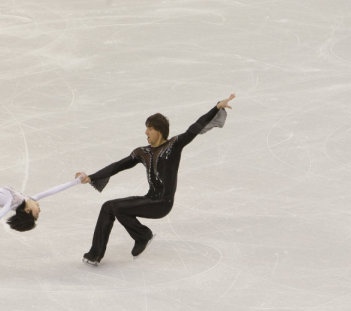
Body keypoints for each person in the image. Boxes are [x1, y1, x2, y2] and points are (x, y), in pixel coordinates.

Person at [75, 94, 235, 265]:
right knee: (109, 207)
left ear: (159, 130)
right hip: (149, 199)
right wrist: (92, 177)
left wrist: (217, 107)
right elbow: (118, 165)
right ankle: (100, 253)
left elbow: (195, 127)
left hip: (162, 203)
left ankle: (142, 235)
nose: (146, 132)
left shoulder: (173, 146)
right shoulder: (143, 152)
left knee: (114, 206)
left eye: (150, 128)